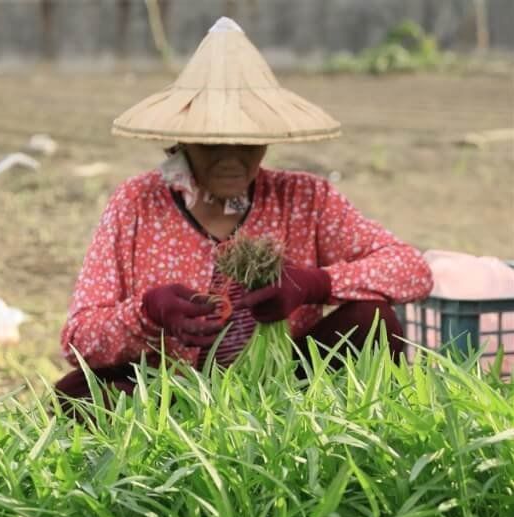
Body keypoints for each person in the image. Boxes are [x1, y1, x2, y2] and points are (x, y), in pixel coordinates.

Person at [56, 18, 433, 401]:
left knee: (372, 320)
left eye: (247, 144)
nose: (232, 160)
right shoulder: (137, 203)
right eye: (213, 145)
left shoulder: (304, 199)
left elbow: (412, 270)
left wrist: (314, 284)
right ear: (183, 139)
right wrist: (148, 314)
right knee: (76, 394)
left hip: (288, 388)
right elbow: (77, 341)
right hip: (169, 393)